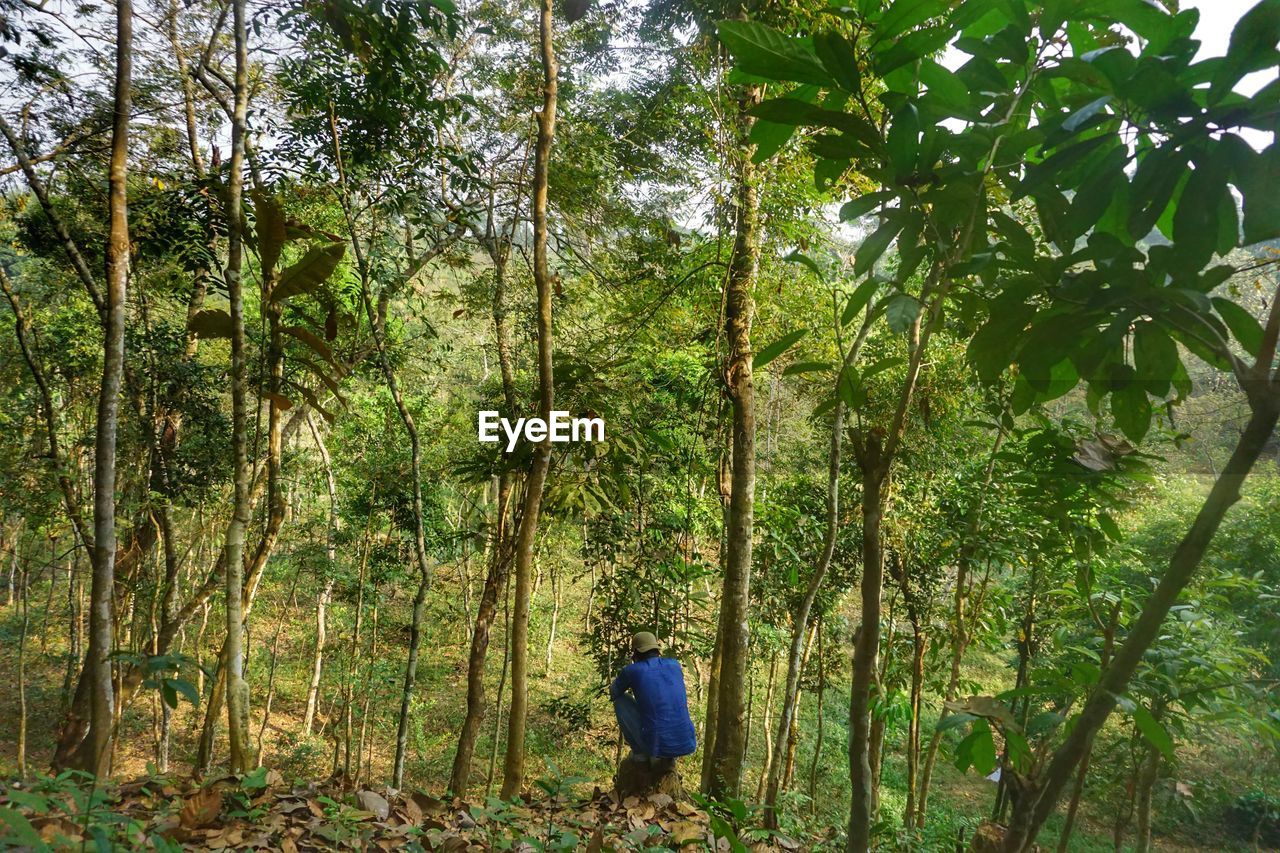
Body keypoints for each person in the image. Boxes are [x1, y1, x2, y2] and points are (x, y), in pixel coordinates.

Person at [610, 631, 697, 769]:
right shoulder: (674, 665)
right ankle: (668, 758)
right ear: (657, 650)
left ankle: (641, 754)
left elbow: (614, 693)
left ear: (636, 653)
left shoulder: (633, 670)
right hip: (686, 741)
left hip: (657, 743)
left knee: (620, 701)